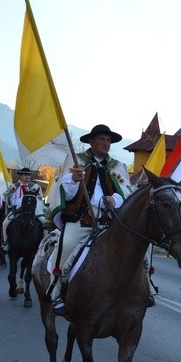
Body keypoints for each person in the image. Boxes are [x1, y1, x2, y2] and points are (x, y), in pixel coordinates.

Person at [48, 124, 132, 316]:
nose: (105, 143)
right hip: (81, 219)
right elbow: (65, 194)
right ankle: (57, 290)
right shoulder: (76, 162)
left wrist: (115, 200)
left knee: (135, 247)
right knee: (66, 244)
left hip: (108, 221)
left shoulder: (118, 167)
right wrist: (74, 181)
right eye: (101, 139)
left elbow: (126, 193)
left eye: (108, 140)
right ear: (91, 141)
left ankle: (143, 287)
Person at [1, 168, 44, 251]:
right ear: (20, 176)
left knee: (43, 222)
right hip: (17, 209)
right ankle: (6, 244)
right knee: (5, 223)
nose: (27, 177)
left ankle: (43, 245)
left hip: (32, 209)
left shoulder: (36, 187)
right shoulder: (13, 187)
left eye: (28, 175)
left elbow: (40, 199)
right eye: (25, 175)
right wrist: (8, 196)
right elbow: (6, 198)